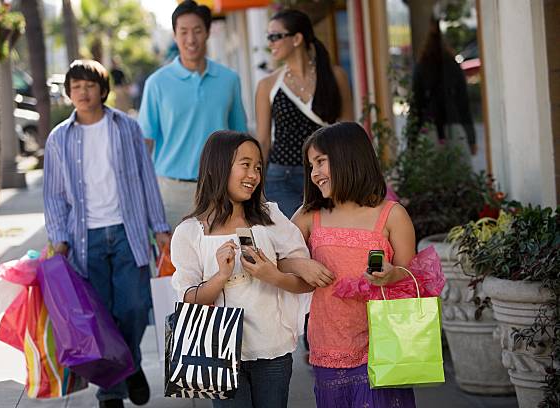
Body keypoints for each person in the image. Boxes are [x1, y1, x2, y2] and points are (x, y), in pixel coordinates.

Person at [43, 59, 171, 408]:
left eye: (89, 85)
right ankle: (112, 389)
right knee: (100, 315)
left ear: (102, 90)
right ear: (69, 93)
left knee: (133, 307)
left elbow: (146, 178)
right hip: (86, 239)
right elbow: (53, 194)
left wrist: (160, 228)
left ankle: (129, 367)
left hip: (128, 231)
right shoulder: (59, 138)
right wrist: (59, 239)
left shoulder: (126, 127)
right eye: (76, 87)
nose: (83, 92)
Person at [170, 130, 313, 408]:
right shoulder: (190, 232)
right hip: (218, 350)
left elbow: (305, 281)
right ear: (218, 167)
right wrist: (220, 277)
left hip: (272, 348)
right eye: (245, 165)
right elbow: (188, 299)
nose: (254, 175)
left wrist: (272, 275)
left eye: (258, 167)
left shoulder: (269, 217)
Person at [291, 122, 418, 407]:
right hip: (329, 340)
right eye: (311, 165)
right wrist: (300, 265)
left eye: (321, 162)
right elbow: (280, 258)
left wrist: (392, 274)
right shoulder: (310, 216)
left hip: (383, 343)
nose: (315, 174)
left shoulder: (393, 215)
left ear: (349, 156)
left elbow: (413, 278)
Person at [138, 0, 248, 229]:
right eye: (183, 32)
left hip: (220, 189)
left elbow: (241, 139)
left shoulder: (229, 79)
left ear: (208, 32)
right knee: (175, 264)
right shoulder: (156, 83)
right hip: (171, 193)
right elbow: (145, 144)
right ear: (175, 35)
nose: (191, 39)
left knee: (222, 260)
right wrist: (141, 196)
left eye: (197, 31)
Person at [255, 9, 353, 218]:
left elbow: (348, 132)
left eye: (275, 36)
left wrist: (352, 173)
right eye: (268, 37)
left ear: (297, 38)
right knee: (296, 239)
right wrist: (255, 188)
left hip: (328, 174)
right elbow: (263, 142)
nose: (270, 43)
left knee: (328, 237)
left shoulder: (335, 76)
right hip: (282, 178)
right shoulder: (267, 85)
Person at [411, 17, 477, 157]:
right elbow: (463, 104)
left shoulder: (422, 65)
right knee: (458, 172)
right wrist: (471, 139)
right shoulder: (452, 65)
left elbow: (416, 105)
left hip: (429, 126)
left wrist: (412, 142)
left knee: (430, 172)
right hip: (453, 124)